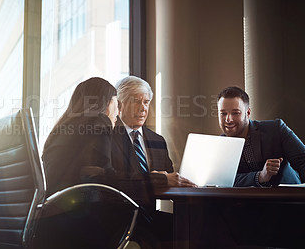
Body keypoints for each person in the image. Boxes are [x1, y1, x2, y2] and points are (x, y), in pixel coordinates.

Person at [111, 76, 196, 249]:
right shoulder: (109, 137)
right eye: (136, 101)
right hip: (118, 219)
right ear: (120, 104)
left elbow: (169, 177)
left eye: (146, 102)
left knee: (194, 228)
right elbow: (116, 180)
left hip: (149, 217)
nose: (143, 108)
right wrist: (156, 178)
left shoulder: (157, 140)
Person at [42, 77, 118, 196]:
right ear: (107, 103)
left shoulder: (63, 127)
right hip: (74, 208)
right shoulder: (99, 122)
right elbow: (106, 179)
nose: (118, 112)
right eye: (116, 104)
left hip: (52, 205)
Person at [217, 86, 305, 187]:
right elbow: (224, 182)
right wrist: (260, 176)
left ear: (248, 113)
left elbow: (302, 160)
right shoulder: (219, 146)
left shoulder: (276, 129)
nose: (228, 119)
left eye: (235, 113)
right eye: (223, 113)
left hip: (287, 198)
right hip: (246, 202)